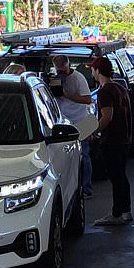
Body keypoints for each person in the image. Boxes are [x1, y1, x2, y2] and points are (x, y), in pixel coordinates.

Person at [91, 57, 133, 226]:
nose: (92, 72)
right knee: (121, 176)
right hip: (124, 139)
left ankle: (116, 213)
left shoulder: (105, 91)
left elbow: (107, 117)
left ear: (98, 71)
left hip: (112, 140)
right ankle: (126, 211)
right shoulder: (120, 88)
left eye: (93, 69)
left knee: (115, 177)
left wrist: (93, 132)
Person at [53, 55, 94, 200]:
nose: (61, 72)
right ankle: (71, 189)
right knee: (65, 159)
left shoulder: (78, 78)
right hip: (62, 122)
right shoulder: (55, 78)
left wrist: (67, 95)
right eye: (58, 69)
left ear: (68, 65)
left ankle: (87, 188)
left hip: (79, 121)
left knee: (84, 156)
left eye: (63, 69)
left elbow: (87, 99)